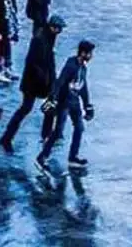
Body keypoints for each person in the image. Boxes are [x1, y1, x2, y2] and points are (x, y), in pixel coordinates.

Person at [0, 14, 66, 154]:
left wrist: (53, 80)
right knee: (26, 109)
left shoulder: (48, 37)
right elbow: (34, 63)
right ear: (53, 27)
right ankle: (6, 139)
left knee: (47, 108)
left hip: (42, 81)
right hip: (33, 83)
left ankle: (45, 136)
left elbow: (49, 61)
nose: (60, 32)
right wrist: (47, 80)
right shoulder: (39, 39)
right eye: (58, 29)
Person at [38, 39, 96, 172]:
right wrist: (52, 98)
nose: (91, 56)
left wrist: (87, 105)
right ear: (83, 53)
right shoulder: (71, 65)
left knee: (79, 128)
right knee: (58, 131)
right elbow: (60, 81)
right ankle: (42, 156)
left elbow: (82, 86)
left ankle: (73, 157)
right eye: (90, 53)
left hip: (74, 102)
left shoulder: (83, 68)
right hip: (64, 102)